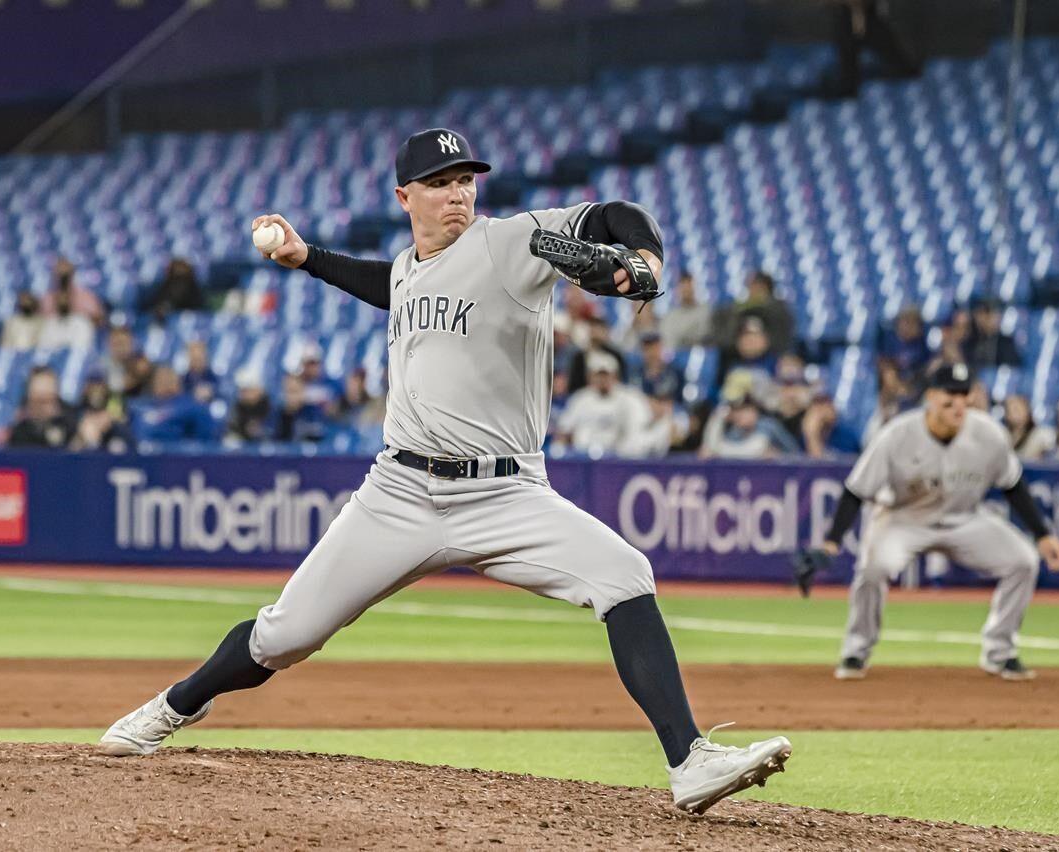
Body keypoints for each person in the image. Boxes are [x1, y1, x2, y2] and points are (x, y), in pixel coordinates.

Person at [98, 127, 791, 813]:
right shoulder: (408, 268)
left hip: (506, 492)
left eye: (465, 180)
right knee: (285, 635)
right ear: (405, 197)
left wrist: (642, 261)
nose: (457, 194)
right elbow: (391, 285)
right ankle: (172, 706)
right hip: (398, 493)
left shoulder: (507, 242)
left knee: (624, 574)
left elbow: (611, 216)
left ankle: (690, 762)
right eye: (439, 183)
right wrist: (307, 257)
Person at [814, 363, 1059, 681]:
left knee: (1024, 561)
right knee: (873, 568)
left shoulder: (988, 434)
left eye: (964, 394)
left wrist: (1043, 534)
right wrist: (831, 541)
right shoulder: (897, 435)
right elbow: (856, 491)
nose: (958, 402)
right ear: (931, 397)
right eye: (950, 394)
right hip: (903, 521)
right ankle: (856, 650)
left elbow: (1012, 485)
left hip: (964, 520)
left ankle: (1000, 653)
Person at [555, 350, 652, 458]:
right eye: (598, 375)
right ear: (590, 376)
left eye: (606, 375)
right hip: (583, 458)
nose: (602, 379)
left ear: (615, 376)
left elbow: (639, 429)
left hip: (617, 458)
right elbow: (563, 431)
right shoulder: (580, 399)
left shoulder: (629, 398)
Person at [131, 364, 215, 445]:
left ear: (177, 382)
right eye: (160, 378)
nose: (164, 382)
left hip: (173, 456)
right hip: (140, 455)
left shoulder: (191, 405)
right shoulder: (142, 407)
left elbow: (205, 441)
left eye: (168, 378)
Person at [717, 271, 795, 356]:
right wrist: (739, 343)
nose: (753, 290)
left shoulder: (779, 310)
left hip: (771, 357)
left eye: (758, 286)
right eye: (751, 287)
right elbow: (725, 337)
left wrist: (765, 342)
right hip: (739, 358)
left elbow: (784, 339)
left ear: (766, 288)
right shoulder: (737, 309)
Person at [700, 393, 798, 459]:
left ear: (754, 411)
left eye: (744, 410)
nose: (739, 415)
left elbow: (796, 454)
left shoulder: (770, 427)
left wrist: (779, 457)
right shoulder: (735, 432)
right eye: (737, 411)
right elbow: (724, 451)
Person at [7, 369, 76, 449]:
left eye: (48, 400)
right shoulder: (19, 429)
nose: (42, 407)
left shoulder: (72, 422)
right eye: (38, 400)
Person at [71, 376, 132, 453]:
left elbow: (132, 447)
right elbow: (68, 452)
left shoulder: (114, 408)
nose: (96, 390)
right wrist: (82, 438)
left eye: (99, 385)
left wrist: (112, 423)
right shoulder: (77, 413)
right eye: (92, 386)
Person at [42, 257, 105, 324]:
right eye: (60, 274)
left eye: (66, 274)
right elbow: (41, 321)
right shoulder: (47, 298)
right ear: (54, 275)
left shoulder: (85, 296)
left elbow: (99, 319)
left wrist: (77, 314)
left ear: (72, 274)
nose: (63, 276)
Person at [964, 296, 1022, 369]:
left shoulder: (1006, 342)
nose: (980, 319)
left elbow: (1011, 371)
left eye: (988, 315)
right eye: (979, 314)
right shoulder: (969, 341)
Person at [659, 273, 713, 351]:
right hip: (676, 358)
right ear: (677, 290)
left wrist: (683, 338)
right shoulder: (670, 317)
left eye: (689, 285)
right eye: (683, 286)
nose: (687, 290)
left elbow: (705, 337)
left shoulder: (705, 311)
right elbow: (667, 344)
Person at [141, 257, 205, 323]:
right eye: (176, 278)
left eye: (182, 278)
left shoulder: (194, 290)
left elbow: (197, 309)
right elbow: (158, 306)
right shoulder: (165, 287)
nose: (179, 282)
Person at [628, 332, 683, 403]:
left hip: (669, 410)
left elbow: (680, 399)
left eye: (655, 348)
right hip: (641, 409)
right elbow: (631, 396)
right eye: (647, 349)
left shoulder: (675, 372)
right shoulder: (635, 373)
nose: (651, 353)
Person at [880, 305, 931, 382]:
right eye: (907, 322)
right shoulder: (887, 339)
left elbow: (927, 365)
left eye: (914, 323)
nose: (910, 326)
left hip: (915, 381)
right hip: (892, 379)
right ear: (898, 323)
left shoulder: (922, 343)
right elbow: (881, 361)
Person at [801, 394, 860, 459]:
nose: (821, 410)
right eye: (817, 404)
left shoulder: (846, 436)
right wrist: (811, 435)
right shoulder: (804, 437)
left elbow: (822, 465)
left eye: (824, 403)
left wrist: (813, 437)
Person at [38, 285, 96, 352]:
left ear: (71, 301)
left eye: (65, 299)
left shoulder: (82, 322)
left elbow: (82, 346)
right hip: (54, 359)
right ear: (55, 302)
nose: (62, 302)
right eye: (59, 299)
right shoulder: (49, 323)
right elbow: (45, 346)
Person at [275, 374, 328, 444]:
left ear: (303, 392)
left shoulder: (313, 414)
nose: (291, 397)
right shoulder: (275, 415)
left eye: (294, 391)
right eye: (287, 391)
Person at [226, 370, 275, 444]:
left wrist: (261, 431)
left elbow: (274, 430)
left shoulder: (270, 406)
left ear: (258, 390)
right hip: (243, 446)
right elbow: (232, 428)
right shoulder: (238, 406)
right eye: (241, 391)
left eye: (246, 390)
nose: (242, 395)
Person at [1002, 395, 1055, 461]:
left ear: (1028, 411)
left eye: (1020, 408)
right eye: (1013, 409)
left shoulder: (1042, 435)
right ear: (1007, 415)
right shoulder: (1003, 435)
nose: (1018, 413)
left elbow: (1053, 457)